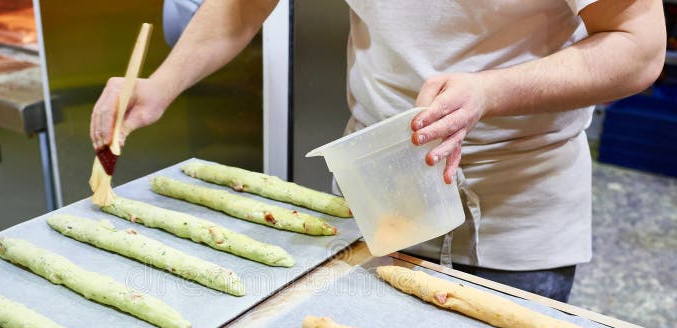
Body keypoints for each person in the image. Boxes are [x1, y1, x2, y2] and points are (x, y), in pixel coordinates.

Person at [90, 0, 666, 302]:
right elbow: (244, 5)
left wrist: (491, 91)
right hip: (371, 196)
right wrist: (159, 86)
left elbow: (638, 48)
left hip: (511, 217)